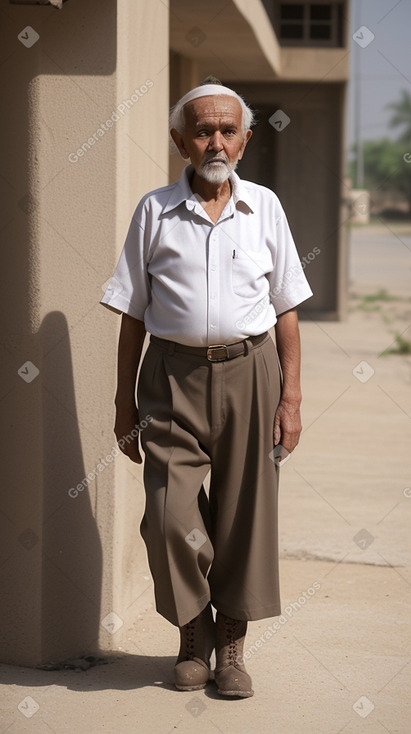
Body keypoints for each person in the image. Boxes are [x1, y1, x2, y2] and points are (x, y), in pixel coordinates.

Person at [101, 78, 313, 698]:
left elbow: (287, 311)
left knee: (245, 516)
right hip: (170, 376)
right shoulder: (153, 211)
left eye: (227, 130)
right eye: (202, 130)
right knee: (171, 514)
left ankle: (231, 650)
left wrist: (292, 398)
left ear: (245, 140)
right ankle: (191, 631)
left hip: (252, 372)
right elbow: (133, 315)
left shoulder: (266, 208)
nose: (215, 140)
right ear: (180, 141)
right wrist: (123, 402)